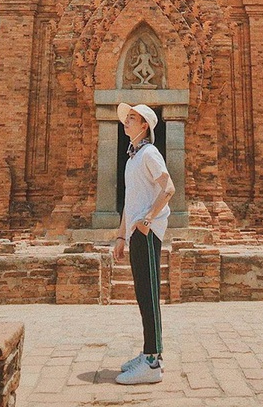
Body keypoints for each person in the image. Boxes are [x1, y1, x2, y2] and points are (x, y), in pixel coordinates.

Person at [113, 102, 175, 385]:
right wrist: (121, 235)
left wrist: (147, 220)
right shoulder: (132, 158)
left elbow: (169, 187)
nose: (126, 121)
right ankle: (150, 352)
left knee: (149, 293)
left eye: (132, 118)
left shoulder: (150, 153)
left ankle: (152, 362)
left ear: (144, 126)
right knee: (141, 292)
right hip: (137, 231)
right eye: (126, 117)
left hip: (148, 231)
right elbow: (130, 202)